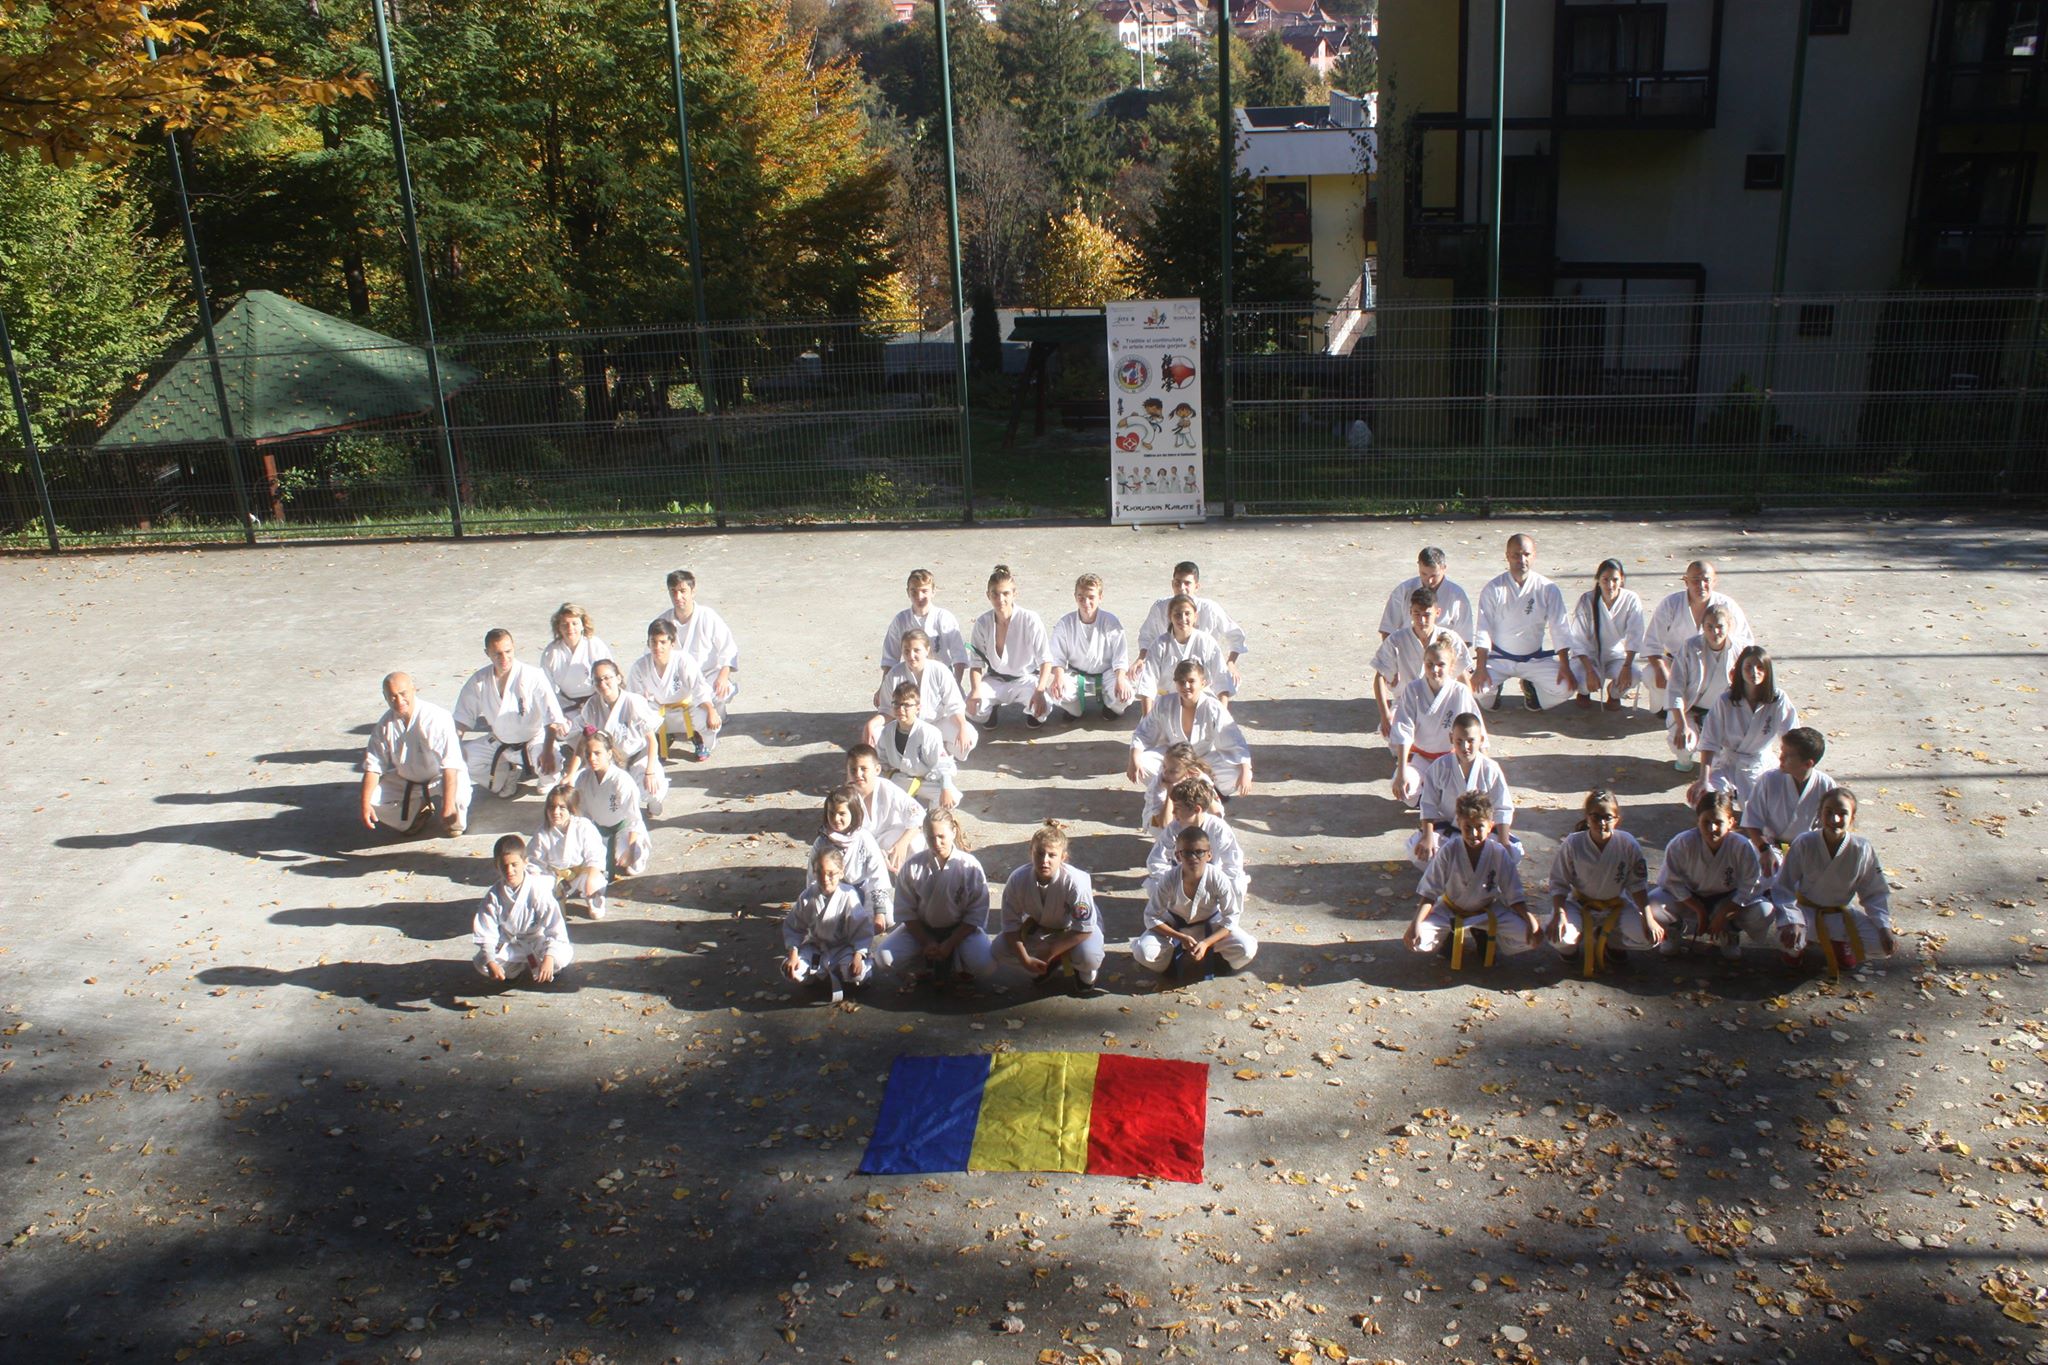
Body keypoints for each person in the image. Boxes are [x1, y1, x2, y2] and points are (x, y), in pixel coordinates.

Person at [1403, 791, 1540, 968]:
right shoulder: (1449, 850)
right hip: (1450, 910)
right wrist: (1415, 923)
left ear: (1490, 826)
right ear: (1459, 824)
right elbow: (1430, 892)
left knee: (1529, 936)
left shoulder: (1498, 853)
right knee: (1418, 940)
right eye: (1467, 827)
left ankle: (1482, 934)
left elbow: (1513, 894)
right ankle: (1450, 934)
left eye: (1479, 827)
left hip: (1487, 910)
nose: (1473, 833)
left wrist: (1530, 919)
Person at [1773, 788, 1896, 976]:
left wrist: (1884, 926)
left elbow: (1874, 892)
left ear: (1852, 818)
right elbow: (1784, 886)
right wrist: (1792, 920)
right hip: (1806, 912)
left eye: (1842, 813)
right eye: (1828, 812)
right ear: (1819, 814)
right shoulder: (1805, 842)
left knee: (1883, 945)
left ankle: (1840, 943)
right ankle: (1797, 949)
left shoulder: (1862, 848)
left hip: (1840, 914)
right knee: (1788, 939)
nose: (1835, 819)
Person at [1636, 791, 1768, 959]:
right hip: (1690, 898)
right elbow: (1671, 881)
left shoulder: (1741, 846)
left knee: (1763, 911)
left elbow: (1750, 884)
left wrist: (1724, 914)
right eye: (1706, 822)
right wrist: (1699, 910)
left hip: (1727, 899)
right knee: (1654, 903)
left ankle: (1730, 930)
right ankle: (1673, 928)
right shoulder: (1682, 843)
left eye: (1718, 822)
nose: (1712, 829)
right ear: (1697, 821)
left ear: (1731, 822)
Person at [873, 809, 997, 986]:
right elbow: (906, 912)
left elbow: (976, 913)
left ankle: (958, 962)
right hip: (922, 930)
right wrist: (927, 941)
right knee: (884, 958)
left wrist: (950, 943)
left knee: (986, 965)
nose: (936, 843)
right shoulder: (913, 866)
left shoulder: (969, 866)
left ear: (953, 832)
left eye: (941, 836)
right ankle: (923, 964)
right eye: (931, 838)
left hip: (960, 930)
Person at [1131, 825, 1258, 981]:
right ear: (1178, 856)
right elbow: (1151, 917)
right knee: (1144, 952)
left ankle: (1219, 960)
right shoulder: (1169, 878)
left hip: (1210, 926)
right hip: (1175, 927)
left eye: (1199, 852)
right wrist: (1180, 937)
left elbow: (1231, 918)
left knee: (1246, 949)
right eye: (1187, 852)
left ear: (1209, 855)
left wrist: (1206, 943)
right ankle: (1170, 963)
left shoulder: (1218, 878)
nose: (1193, 857)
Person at [452, 628, 569, 798]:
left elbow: (552, 716)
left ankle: (548, 778)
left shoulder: (533, 675)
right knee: (462, 760)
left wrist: (548, 749)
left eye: (508, 651)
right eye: (497, 654)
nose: (504, 658)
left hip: (534, 740)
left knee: (553, 764)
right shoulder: (479, 681)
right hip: (500, 742)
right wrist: (455, 746)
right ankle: (507, 774)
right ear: (487, 653)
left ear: (514, 647)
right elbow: (461, 718)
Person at [1548, 790, 1650, 976]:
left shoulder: (1627, 843)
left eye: (1607, 817)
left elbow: (1638, 884)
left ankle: (1612, 943)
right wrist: (1559, 914)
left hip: (1615, 905)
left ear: (1617, 819)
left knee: (1649, 937)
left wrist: (1648, 917)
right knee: (1559, 936)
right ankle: (1570, 949)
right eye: (1595, 817)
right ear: (1587, 818)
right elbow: (1558, 882)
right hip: (1579, 904)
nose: (1602, 823)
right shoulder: (1573, 843)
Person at [1471, 533, 1576, 712]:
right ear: (1507, 556)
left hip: (1534, 659)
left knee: (1567, 688)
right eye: (1516, 555)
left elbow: (1560, 628)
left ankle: (1532, 689)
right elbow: (1483, 629)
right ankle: (1495, 693)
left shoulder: (1547, 588)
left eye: (1526, 554)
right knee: (1477, 691)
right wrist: (1480, 668)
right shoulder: (1493, 588)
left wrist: (1565, 666)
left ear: (1534, 555)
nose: (1522, 560)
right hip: (1499, 659)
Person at [997, 822, 1105, 994]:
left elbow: (1083, 929)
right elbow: (1010, 926)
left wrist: (1050, 952)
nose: (1044, 860)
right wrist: (1025, 959)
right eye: (1039, 853)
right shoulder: (1017, 879)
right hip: (1043, 927)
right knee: (999, 949)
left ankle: (1084, 973)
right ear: (1031, 853)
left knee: (1088, 956)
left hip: (1076, 930)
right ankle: (1049, 965)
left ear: (1063, 857)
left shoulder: (1075, 881)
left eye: (1052, 855)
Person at [360, 671, 469, 837]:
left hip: (440, 778)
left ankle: (451, 810)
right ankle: (416, 812)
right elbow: (373, 766)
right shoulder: (384, 725)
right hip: (407, 780)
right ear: (385, 697)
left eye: (403, 694)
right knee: (372, 799)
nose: (399, 701)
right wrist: (365, 804)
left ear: (414, 689)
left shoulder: (436, 717)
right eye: (392, 696)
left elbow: (450, 764)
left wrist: (448, 806)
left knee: (455, 824)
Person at [1408, 713, 1519, 869]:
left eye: (1470, 741)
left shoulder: (1490, 768)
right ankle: (1458, 869)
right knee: (1417, 851)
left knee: (1513, 853)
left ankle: (1460, 868)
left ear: (1481, 739)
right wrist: (1427, 837)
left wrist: (1504, 841)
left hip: (1481, 833)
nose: (1465, 747)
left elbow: (1503, 807)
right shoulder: (1440, 766)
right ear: (1451, 738)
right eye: (1459, 741)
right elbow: (1428, 804)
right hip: (1449, 831)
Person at [1129, 660, 1253, 799]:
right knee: (1142, 761)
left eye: (1191, 681)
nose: (1186, 686)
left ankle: (1206, 791)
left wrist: (1246, 771)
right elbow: (1143, 733)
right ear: (1175, 684)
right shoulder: (1164, 703)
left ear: (1203, 683)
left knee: (1236, 771)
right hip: (1173, 760)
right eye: (1181, 682)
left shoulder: (1214, 707)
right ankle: (1174, 792)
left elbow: (1235, 740)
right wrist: (1134, 758)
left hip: (1204, 759)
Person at [1694, 645, 1798, 805]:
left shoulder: (1778, 700)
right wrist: (1702, 779)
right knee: (1703, 798)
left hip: (1760, 765)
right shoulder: (1726, 700)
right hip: (1729, 764)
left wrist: (1790, 770)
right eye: (1748, 667)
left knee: (1767, 805)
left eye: (1760, 667)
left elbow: (1792, 738)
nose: (1754, 672)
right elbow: (1709, 741)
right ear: (1740, 670)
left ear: (1768, 671)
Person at [1372, 586, 1474, 743]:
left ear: (1437, 613)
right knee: (1391, 733)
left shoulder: (1450, 638)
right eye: (1417, 614)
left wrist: (1470, 714)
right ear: (1410, 612)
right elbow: (1380, 676)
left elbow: (1462, 675)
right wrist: (1385, 714)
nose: (1422, 621)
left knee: (1456, 732)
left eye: (1427, 615)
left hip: (1445, 699)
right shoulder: (1396, 640)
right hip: (1407, 700)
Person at [570, 659, 668, 817]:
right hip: (610, 761)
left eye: (607, 678)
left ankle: (653, 801)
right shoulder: (592, 705)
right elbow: (584, 742)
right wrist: (570, 774)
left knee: (652, 790)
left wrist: (649, 772)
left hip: (638, 757)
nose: (603, 684)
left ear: (618, 678)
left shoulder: (633, 701)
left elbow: (652, 741)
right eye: (597, 680)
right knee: (584, 787)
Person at [1389, 639, 1481, 806]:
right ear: (1423, 663)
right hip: (1420, 758)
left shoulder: (1460, 692)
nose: (1434, 670)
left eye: (1441, 664)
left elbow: (1475, 729)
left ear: (1451, 667)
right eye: (1429, 664)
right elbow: (1404, 731)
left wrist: (1481, 766)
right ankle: (1425, 796)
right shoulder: (1413, 689)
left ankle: (1438, 796)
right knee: (1406, 789)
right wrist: (1401, 773)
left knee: (1465, 797)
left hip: (1452, 759)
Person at [1135, 562, 1248, 693]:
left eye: (1187, 583)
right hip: (1167, 669)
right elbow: (1147, 635)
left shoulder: (1210, 609)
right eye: (1177, 583)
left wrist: (1231, 663)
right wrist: (1141, 658)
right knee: (1136, 677)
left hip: (1202, 670)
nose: (1181, 588)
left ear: (1196, 586)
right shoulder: (1160, 607)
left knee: (1227, 680)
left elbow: (1235, 635)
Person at [474, 834, 572, 984]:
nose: (509, 870)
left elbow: (555, 927)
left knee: (560, 956)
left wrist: (549, 957)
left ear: (525, 862)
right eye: (504, 865)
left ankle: (547, 966)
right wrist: (491, 961)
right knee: (482, 963)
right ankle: (514, 969)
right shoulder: (493, 896)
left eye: (514, 864)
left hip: (537, 941)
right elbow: (486, 931)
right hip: (511, 944)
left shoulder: (538, 890)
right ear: (496, 865)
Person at [1644, 560, 1753, 694]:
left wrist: (1735, 666)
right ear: (1686, 581)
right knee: (1650, 673)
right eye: (1695, 580)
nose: (1701, 585)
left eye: (1706, 580)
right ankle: (1667, 704)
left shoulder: (1727, 605)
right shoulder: (1670, 604)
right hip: (1674, 662)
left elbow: (1745, 642)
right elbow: (1652, 642)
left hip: (1714, 664)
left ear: (1714, 581)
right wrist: (1660, 668)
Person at [1739, 727, 1837, 877]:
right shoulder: (1769, 780)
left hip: (1807, 848)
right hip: (1770, 846)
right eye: (1782, 752)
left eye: (1788, 756)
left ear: (1808, 764)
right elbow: (1751, 822)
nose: (1780, 758)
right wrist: (1764, 849)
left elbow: (1830, 828)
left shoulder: (1826, 785)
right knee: (1760, 875)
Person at [866, 628, 977, 759]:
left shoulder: (940, 671)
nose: (911, 656)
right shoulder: (894, 675)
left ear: (927, 650)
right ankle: (910, 755)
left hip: (938, 725)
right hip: (906, 728)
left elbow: (954, 706)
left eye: (916, 650)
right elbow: (887, 710)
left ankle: (943, 750)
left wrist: (962, 727)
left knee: (970, 734)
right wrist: (871, 724)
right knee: (875, 733)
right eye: (906, 651)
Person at [966, 564, 1053, 728]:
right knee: (972, 709)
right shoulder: (982, 623)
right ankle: (991, 710)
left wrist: (1040, 690)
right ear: (988, 595)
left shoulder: (1030, 619)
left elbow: (1045, 660)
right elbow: (976, 664)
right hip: (994, 679)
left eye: (1006, 593)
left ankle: (1032, 713)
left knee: (1043, 708)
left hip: (1026, 679)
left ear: (1014, 594)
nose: (1000, 599)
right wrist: (975, 691)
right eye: (995, 594)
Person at [781, 846, 872, 1003]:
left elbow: (861, 930)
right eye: (820, 873)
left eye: (831, 873)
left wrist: (858, 955)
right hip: (816, 947)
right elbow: (794, 927)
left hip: (843, 947)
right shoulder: (808, 896)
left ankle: (858, 972)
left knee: (856, 974)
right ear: (814, 872)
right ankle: (811, 977)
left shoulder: (848, 895)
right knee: (790, 970)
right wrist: (793, 954)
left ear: (841, 872)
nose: (825, 879)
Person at [626, 617, 720, 763]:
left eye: (663, 642)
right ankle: (659, 739)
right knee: (635, 724)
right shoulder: (640, 667)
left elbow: (700, 689)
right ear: (648, 643)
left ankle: (700, 740)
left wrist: (711, 711)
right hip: (658, 708)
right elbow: (635, 698)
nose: (658, 647)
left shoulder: (684, 661)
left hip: (687, 707)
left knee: (708, 720)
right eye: (653, 642)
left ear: (672, 643)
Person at [1664, 604, 1743, 771]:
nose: (1715, 632)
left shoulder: (1738, 650)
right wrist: (1682, 726)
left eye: (1720, 626)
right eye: (1709, 627)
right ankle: (1684, 758)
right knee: (1683, 744)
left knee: (1721, 763)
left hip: (1721, 713)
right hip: (1690, 710)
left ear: (1729, 626)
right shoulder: (1690, 647)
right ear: (1702, 626)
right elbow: (1675, 688)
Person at [1143, 776, 1249, 900]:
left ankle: (1220, 909)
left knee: (1237, 886)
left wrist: (1215, 884)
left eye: (1177, 808)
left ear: (1196, 809)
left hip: (1212, 879)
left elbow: (1233, 863)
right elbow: (1155, 861)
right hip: (1182, 879)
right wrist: (1177, 881)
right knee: (1155, 886)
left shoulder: (1218, 828)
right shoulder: (1174, 828)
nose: (1173, 813)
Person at [1050, 573, 1136, 719]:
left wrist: (1121, 680)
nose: (1086, 602)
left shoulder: (1111, 622)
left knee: (1126, 696)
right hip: (1076, 674)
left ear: (1100, 597)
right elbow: (1057, 657)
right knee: (1055, 693)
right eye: (1081, 597)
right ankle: (1074, 709)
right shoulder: (1065, 623)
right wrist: (1058, 678)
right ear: (1075, 597)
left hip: (1107, 674)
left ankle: (1112, 708)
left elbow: (1120, 656)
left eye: (1091, 597)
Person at [1132, 593, 1235, 712]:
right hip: (1167, 704)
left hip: (1201, 703)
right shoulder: (1159, 645)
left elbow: (1222, 680)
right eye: (1177, 614)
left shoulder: (1207, 642)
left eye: (1187, 613)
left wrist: (1222, 715)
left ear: (1195, 616)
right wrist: (1147, 717)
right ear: (1170, 617)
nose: (1182, 619)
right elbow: (1148, 683)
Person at [658, 569, 741, 717]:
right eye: (673, 591)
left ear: (693, 591)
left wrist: (723, 676)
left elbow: (728, 648)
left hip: (707, 676)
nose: (678, 596)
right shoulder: (663, 622)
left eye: (683, 591)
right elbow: (652, 655)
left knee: (720, 691)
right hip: (677, 680)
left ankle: (717, 714)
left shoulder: (708, 617)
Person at [1569, 558, 1647, 710]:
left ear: (1622, 579)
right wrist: (1590, 671)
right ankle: (1584, 692)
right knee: (1581, 681)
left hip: (1616, 655)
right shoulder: (1587, 600)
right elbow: (1578, 639)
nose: (1610, 585)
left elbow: (1635, 635)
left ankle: (1614, 693)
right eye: (1605, 579)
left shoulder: (1631, 599)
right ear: (1598, 580)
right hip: (1589, 656)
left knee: (1634, 675)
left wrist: (1627, 666)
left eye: (1615, 580)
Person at [572, 732, 651, 879]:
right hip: (599, 830)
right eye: (588, 754)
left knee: (631, 865)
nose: (592, 758)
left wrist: (630, 850)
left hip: (624, 829)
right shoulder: (583, 778)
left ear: (609, 754)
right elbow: (582, 813)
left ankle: (638, 848)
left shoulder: (621, 780)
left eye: (597, 753)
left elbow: (634, 819)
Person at [814, 785, 894, 929]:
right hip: (833, 893)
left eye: (842, 813)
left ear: (853, 813)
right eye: (831, 813)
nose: (836, 819)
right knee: (830, 925)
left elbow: (878, 874)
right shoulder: (821, 843)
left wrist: (879, 912)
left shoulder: (864, 838)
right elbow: (813, 879)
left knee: (886, 919)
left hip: (864, 890)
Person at [526, 783, 609, 920]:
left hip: (581, 872)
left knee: (596, 880)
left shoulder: (583, 826)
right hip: (555, 876)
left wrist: (592, 878)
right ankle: (557, 898)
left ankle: (593, 900)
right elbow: (533, 862)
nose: (556, 812)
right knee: (536, 886)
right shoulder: (542, 833)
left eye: (562, 807)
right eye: (552, 807)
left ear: (571, 809)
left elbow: (596, 854)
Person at [876, 683, 961, 811]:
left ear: (918, 708)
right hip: (899, 778)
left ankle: (931, 819)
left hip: (925, 780)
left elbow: (943, 765)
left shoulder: (930, 732)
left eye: (906, 705)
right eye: (896, 704)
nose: (900, 709)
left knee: (951, 796)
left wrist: (946, 788)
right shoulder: (887, 731)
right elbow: (881, 761)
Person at [846, 743, 926, 871]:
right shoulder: (845, 796)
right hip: (861, 847)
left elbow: (918, 817)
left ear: (877, 770)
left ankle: (912, 877)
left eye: (863, 769)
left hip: (890, 838)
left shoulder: (887, 788)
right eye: (853, 770)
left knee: (915, 841)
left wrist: (902, 844)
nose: (858, 774)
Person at [879, 568, 969, 684]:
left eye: (924, 591)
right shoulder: (900, 620)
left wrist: (956, 685)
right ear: (908, 592)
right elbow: (890, 659)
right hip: (910, 679)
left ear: (933, 592)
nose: (919, 596)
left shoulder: (944, 618)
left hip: (941, 677)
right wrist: (884, 687)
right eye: (914, 591)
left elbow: (959, 655)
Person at [1377, 546, 1474, 643]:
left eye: (1434, 575)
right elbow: (1388, 629)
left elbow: (1465, 637)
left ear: (1444, 568)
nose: (1429, 580)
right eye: (1424, 574)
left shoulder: (1457, 596)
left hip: (1443, 649)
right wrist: (1391, 651)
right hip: (1407, 648)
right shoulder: (1403, 590)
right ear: (1418, 566)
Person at [539, 603, 612, 723]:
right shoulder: (551, 652)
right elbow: (546, 688)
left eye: (574, 623)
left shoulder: (595, 645)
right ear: (558, 627)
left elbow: (610, 676)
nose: (570, 628)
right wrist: (555, 716)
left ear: (583, 625)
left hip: (597, 698)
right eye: (565, 624)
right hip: (566, 703)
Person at [1138, 742, 1217, 836]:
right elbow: (1165, 823)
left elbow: (1217, 813)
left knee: (1205, 819)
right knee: (1160, 829)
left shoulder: (1200, 778)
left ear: (1188, 771)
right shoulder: (1159, 783)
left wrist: (1203, 785)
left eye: (1173, 771)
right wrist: (1170, 792)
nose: (1165, 772)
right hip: (1158, 818)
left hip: (1185, 814)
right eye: (1164, 766)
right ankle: (1172, 842)